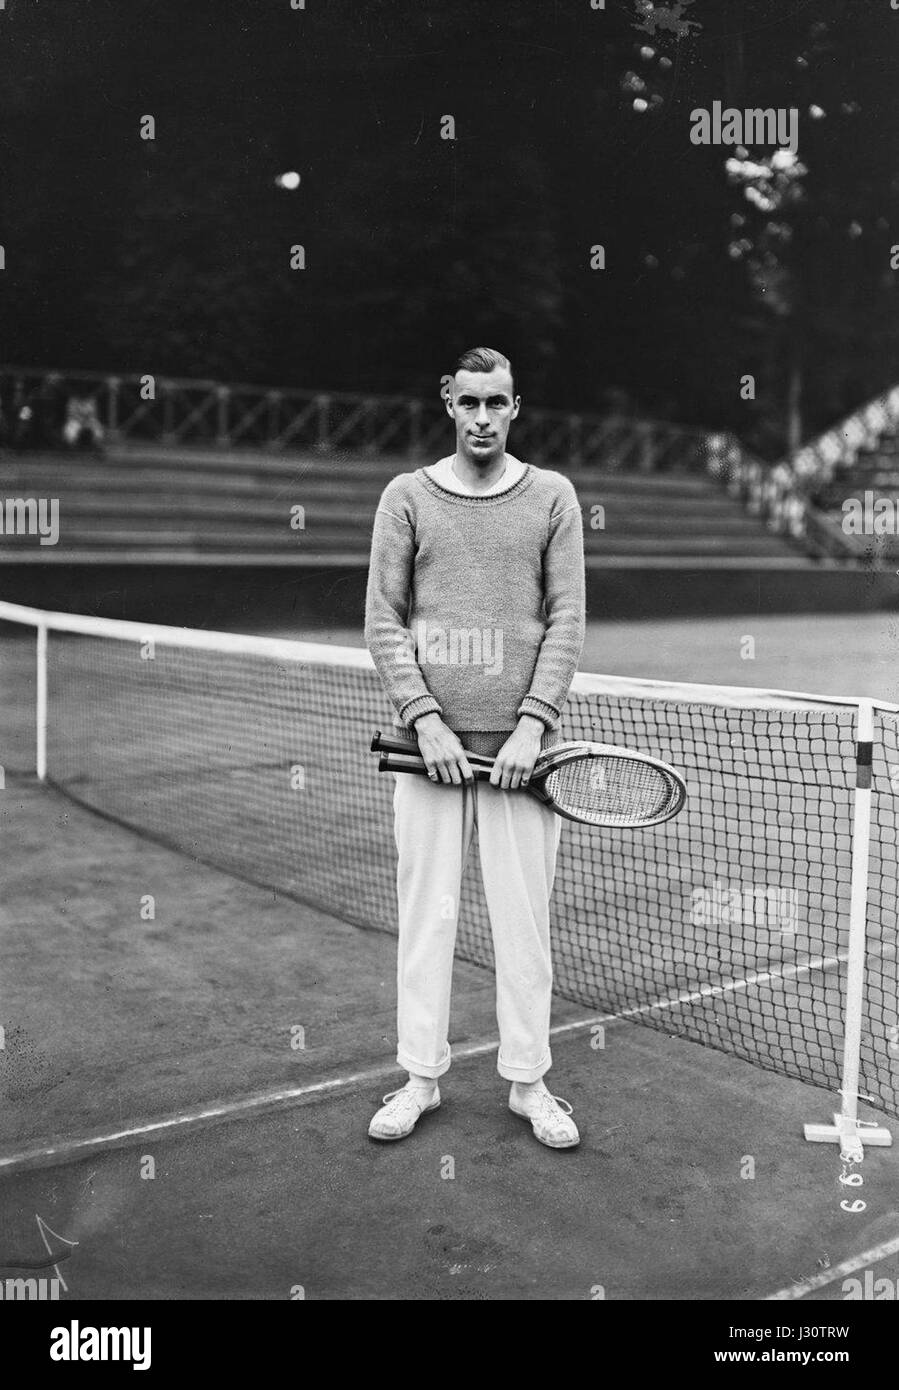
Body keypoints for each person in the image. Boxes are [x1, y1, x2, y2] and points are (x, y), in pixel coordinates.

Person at [363, 346, 586, 1148]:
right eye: (470, 404)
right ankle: (420, 1076)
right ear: (448, 404)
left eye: (498, 403)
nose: (483, 418)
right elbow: (383, 618)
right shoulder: (406, 497)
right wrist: (424, 720)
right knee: (427, 918)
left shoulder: (553, 497)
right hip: (425, 755)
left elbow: (565, 617)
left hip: (525, 760)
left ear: (515, 408)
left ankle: (529, 1084)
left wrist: (531, 723)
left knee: (523, 925)